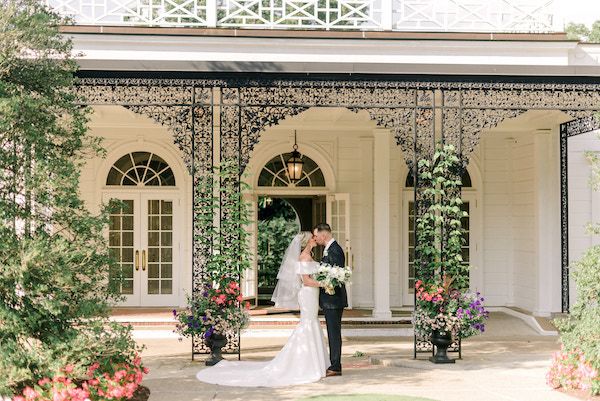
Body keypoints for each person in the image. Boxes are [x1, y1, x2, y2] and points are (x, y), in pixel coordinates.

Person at [196, 231, 328, 387]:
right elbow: (306, 281)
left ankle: (313, 360)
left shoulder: (309, 255)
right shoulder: (304, 257)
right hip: (308, 293)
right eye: (313, 238)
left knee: (310, 322)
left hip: (311, 294)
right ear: (307, 242)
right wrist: (325, 284)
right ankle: (306, 362)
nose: (315, 239)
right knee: (308, 322)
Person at [313, 223, 347, 377]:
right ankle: (334, 363)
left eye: (316, 235)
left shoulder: (335, 250)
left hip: (333, 299)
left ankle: (335, 366)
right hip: (330, 299)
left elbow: (334, 276)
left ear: (323, 235)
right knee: (332, 332)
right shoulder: (329, 249)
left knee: (334, 333)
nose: (316, 238)